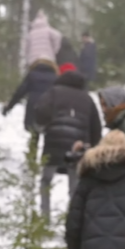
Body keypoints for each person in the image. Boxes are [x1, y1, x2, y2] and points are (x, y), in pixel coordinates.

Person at [32, 62, 102, 221]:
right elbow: (95, 127)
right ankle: (73, 221)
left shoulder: (53, 92)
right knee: (74, 187)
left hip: (53, 144)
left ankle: (45, 219)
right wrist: (92, 147)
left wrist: (42, 127)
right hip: (77, 148)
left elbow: (41, 112)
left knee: (46, 181)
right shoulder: (87, 98)